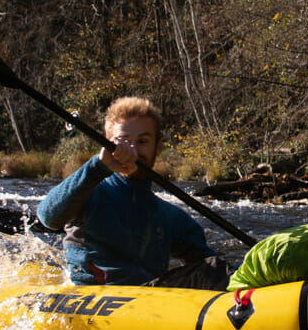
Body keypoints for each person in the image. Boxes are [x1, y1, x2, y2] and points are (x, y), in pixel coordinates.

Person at [35, 96, 230, 290]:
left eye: (143, 141)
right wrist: (98, 167)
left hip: (146, 298)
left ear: (158, 147)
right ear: (107, 144)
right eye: (123, 141)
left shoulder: (173, 218)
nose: (133, 151)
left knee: (213, 270)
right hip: (92, 293)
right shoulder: (88, 191)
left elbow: (210, 267)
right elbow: (48, 217)